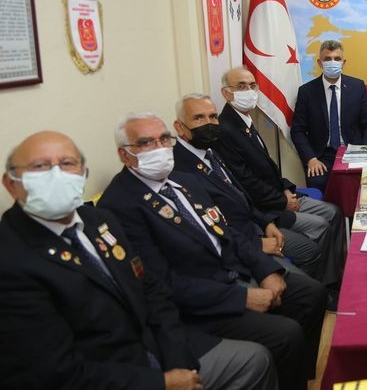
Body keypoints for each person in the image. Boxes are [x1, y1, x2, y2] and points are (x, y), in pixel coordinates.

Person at [0, 131, 274, 390]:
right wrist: (161, 383)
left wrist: (178, 360)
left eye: (67, 163)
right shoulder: (11, 260)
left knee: (255, 360)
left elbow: (151, 291)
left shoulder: (98, 220)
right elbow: (53, 372)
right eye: (40, 167)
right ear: (10, 184)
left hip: (157, 343)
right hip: (110, 373)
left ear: (83, 174)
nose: (56, 175)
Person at [98, 113, 326, 390]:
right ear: (125, 155)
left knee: (312, 294)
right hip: (200, 303)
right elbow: (162, 283)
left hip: (235, 272)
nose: (160, 148)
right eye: (147, 142)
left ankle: (299, 377)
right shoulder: (119, 205)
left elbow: (229, 233)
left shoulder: (185, 181)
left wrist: (267, 270)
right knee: (285, 334)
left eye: (164, 139)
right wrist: (242, 297)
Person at [216, 66, 345, 308]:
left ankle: (335, 277)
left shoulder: (245, 121)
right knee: (321, 226)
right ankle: (321, 289)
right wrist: (283, 201)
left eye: (252, 85)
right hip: (267, 208)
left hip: (279, 194)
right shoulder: (226, 130)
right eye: (241, 86)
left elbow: (267, 167)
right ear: (226, 93)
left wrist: (286, 188)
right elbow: (245, 183)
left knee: (334, 212)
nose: (249, 91)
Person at [173, 93, 322, 279]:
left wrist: (265, 223)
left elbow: (241, 193)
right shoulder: (179, 169)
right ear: (179, 127)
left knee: (312, 250)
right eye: (198, 118)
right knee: (309, 285)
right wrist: (256, 243)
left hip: (257, 222)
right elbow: (209, 226)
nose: (208, 123)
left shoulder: (211, 153)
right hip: (240, 243)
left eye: (212, 117)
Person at [291, 40, 367, 192]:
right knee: (318, 182)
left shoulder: (357, 87)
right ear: (320, 62)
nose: (333, 62)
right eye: (327, 59)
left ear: (344, 62)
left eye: (337, 59)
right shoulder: (307, 91)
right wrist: (310, 159)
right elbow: (298, 130)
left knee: (358, 188)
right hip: (322, 155)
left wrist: (363, 152)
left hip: (354, 151)